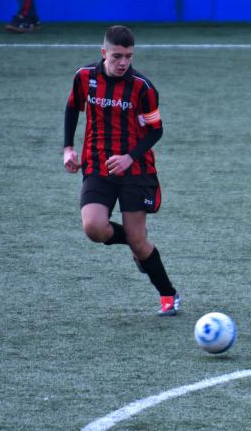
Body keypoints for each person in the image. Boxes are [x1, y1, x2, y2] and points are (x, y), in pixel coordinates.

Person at [63, 25, 181, 316]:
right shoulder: (84, 77)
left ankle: (168, 295)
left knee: (139, 243)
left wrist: (129, 157)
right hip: (97, 165)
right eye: (117, 56)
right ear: (104, 53)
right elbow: (72, 108)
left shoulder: (143, 87)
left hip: (136, 170)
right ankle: (136, 243)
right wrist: (68, 148)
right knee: (94, 228)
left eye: (128, 56)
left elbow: (156, 130)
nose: (123, 62)